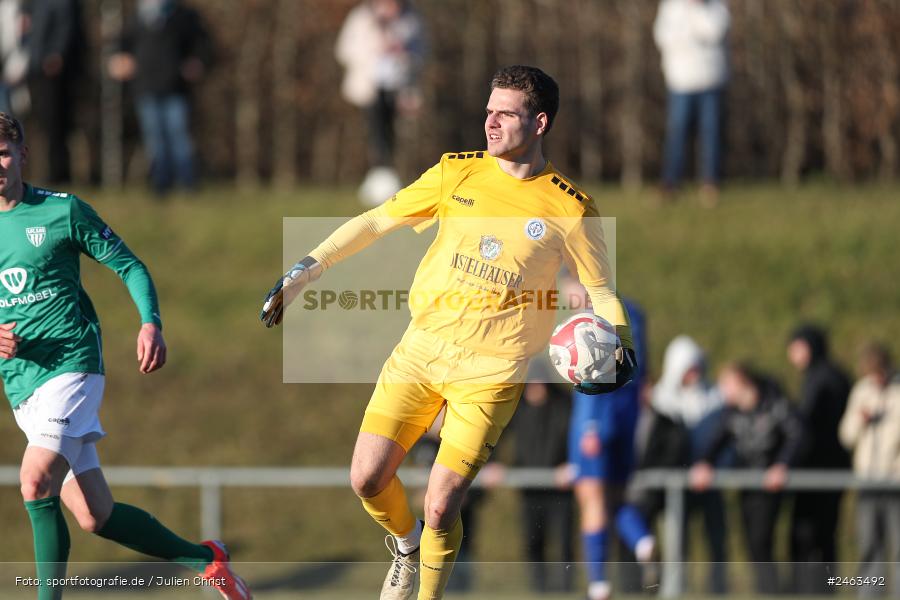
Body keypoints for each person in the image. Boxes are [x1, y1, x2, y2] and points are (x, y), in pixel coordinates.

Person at [260, 65, 637, 600]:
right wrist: (307, 269)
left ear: (540, 122)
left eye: (506, 113)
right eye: (489, 110)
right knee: (367, 478)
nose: (491, 121)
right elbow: (375, 222)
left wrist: (625, 345)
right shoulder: (455, 172)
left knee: (441, 503)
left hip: (492, 374)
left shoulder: (571, 207)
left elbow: (601, 290)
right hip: (420, 351)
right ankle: (406, 546)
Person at [0, 112, 251, 600]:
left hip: (72, 369)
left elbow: (129, 265)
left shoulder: (61, 211)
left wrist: (149, 321)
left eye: (4, 153)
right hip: (23, 384)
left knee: (34, 482)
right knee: (95, 515)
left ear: (22, 155)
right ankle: (207, 561)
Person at [567, 296, 654, 600]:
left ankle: (598, 584)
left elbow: (593, 369)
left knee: (592, 501)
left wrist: (591, 425)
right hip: (627, 417)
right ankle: (642, 540)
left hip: (595, 417)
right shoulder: (634, 314)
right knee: (615, 499)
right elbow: (642, 377)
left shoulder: (592, 318)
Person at [690, 363, 803, 595]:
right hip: (749, 486)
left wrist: (782, 464)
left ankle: (773, 592)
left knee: (762, 541)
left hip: (771, 488)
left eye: (727, 385)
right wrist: (704, 464)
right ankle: (766, 591)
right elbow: (717, 441)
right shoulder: (732, 413)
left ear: (742, 382)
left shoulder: (775, 404)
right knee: (751, 544)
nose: (723, 391)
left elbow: (798, 434)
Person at [643, 335, 727, 594]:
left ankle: (717, 589)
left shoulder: (714, 398)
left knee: (716, 539)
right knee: (676, 542)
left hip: (708, 484)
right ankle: (672, 589)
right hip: (675, 487)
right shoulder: (661, 400)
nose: (694, 374)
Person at [482, 371, 574, 594]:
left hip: (560, 490)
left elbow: (578, 435)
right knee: (533, 543)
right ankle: (539, 591)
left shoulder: (564, 406)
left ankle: (564, 591)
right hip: (529, 490)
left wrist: (574, 464)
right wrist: (492, 462)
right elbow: (496, 432)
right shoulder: (517, 407)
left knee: (563, 544)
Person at [108, 0, 213, 196]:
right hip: (145, 88)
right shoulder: (135, 19)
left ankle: (188, 184)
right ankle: (160, 185)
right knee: (155, 140)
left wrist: (197, 63)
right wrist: (119, 61)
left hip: (176, 88)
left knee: (179, 137)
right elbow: (121, 47)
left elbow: (202, 45)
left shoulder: (184, 16)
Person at [335, 0, 427, 206]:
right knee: (375, 130)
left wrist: (404, 55)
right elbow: (344, 50)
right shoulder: (361, 18)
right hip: (369, 86)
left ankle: (390, 175)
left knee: (394, 133)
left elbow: (422, 52)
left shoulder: (412, 19)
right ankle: (377, 175)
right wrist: (375, 51)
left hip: (400, 88)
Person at [786, 324, 851, 595]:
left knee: (808, 533)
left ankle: (813, 588)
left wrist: (787, 460)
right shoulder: (832, 375)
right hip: (829, 468)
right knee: (824, 534)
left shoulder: (821, 379)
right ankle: (824, 587)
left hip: (818, 469)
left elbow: (806, 426)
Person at [653, 0, 730, 206]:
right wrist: (691, 37)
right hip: (681, 81)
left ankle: (710, 183)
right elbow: (663, 37)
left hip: (710, 80)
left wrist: (696, 12)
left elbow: (714, 33)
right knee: (677, 134)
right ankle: (671, 183)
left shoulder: (716, 6)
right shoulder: (671, 7)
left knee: (710, 133)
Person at [839, 343, 900, 598]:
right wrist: (859, 421)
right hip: (867, 482)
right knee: (869, 545)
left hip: (895, 483)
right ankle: (869, 595)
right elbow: (846, 436)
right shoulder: (861, 392)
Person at [25, 0, 85, 185]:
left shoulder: (63, 3)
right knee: (43, 124)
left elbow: (65, 28)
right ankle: (51, 171)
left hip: (53, 72)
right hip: (35, 69)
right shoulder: (33, 4)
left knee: (56, 125)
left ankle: (59, 173)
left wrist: (56, 54)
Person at [0, 0, 28, 115]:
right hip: (5, 67)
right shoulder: (5, 7)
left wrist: (19, 68)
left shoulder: (16, 7)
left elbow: (22, 43)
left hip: (14, 68)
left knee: (14, 113)